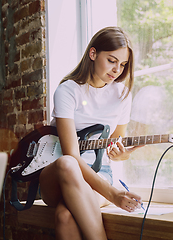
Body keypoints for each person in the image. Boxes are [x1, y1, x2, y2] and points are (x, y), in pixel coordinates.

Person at [39, 26, 143, 240]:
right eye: (112, 60)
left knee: (65, 216)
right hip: (58, 175)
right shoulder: (68, 90)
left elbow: (115, 144)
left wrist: (122, 154)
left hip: (100, 172)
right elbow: (72, 156)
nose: (117, 70)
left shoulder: (122, 94)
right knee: (67, 163)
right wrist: (113, 194)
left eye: (123, 64)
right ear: (93, 54)